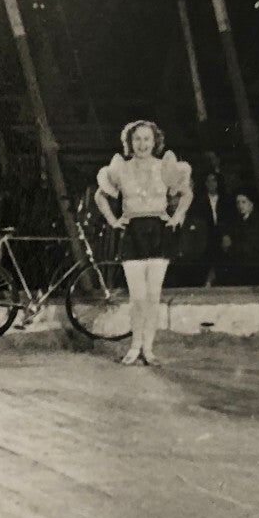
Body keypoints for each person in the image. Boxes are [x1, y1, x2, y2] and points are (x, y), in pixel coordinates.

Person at [94, 120, 192, 367]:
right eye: (137, 139)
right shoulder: (120, 169)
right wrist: (113, 221)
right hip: (132, 232)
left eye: (147, 139)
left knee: (153, 295)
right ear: (130, 142)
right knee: (137, 297)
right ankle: (134, 346)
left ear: (155, 141)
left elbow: (187, 193)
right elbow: (100, 195)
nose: (142, 144)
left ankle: (148, 349)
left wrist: (178, 216)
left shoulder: (165, 167)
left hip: (159, 232)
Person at [189, 169, 230, 287]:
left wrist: (225, 234)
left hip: (221, 235)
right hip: (206, 236)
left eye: (214, 181)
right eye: (208, 181)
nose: (211, 184)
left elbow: (229, 219)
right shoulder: (199, 200)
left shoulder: (226, 199)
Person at [226, 191, 259, 282]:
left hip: (257, 266)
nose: (240, 205)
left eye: (244, 202)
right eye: (238, 202)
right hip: (245, 265)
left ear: (251, 204)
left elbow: (250, 244)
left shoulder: (258, 221)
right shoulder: (238, 221)